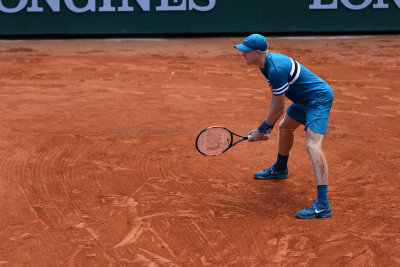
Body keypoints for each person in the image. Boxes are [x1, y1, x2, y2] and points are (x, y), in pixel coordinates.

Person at [234, 34, 334, 219]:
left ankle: (322, 204)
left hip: (317, 100)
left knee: (313, 145)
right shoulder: (265, 65)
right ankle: (280, 169)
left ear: (257, 52)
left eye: (245, 51)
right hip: (303, 100)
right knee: (285, 128)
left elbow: (279, 108)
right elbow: (277, 104)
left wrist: (262, 129)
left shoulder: (275, 69)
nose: (242, 54)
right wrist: (267, 128)